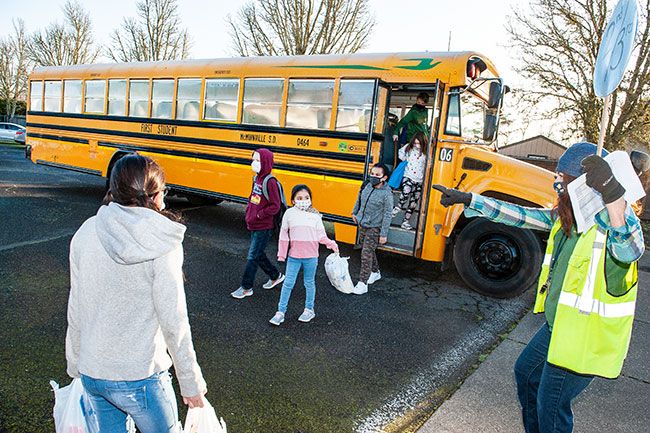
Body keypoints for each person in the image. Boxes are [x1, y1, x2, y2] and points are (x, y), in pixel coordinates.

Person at [433, 142, 644, 433]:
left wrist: (612, 194)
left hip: (583, 337)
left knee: (552, 404)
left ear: (582, 183)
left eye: (562, 177)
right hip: (559, 326)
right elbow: (522, 215)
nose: (556, 181)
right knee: (527, 374)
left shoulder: (612, 220)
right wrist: (471, 199)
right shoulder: (571, 217)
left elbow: (630, 250)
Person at [66, 154, 207, 433]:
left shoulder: (86, 232)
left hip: (93, 372)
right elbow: (174, 321)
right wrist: (190, 383)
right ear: (156, 196)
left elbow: (76, 307)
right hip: (141, 376)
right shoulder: (162, 242)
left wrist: (75, 362)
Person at [269, 184, 339, 326]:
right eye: (299, 198)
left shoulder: (315, 215)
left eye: (306, 197)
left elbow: (321, 236)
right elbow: (283, 235)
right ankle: (280, 312)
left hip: (311, 257)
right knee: (288, 284)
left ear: (311, 199)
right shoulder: (289, 214)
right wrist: (281, 255)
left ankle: (309, 309)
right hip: (293, 257)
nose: (303, 200)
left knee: (309, 283)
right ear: (293, 200)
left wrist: (332, 244)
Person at [231, 148, 286, 299]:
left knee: (252, 256)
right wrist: (249, 212)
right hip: (254, 223)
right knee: (258, 254)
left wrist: (259, 214)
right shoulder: (256, 178)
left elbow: (275, 206)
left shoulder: (270, 182)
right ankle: (275, 275)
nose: (253, 163)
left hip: (264, 225)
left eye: (257, 160)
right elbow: (253, 197)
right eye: (253, 159)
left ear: (266, 163)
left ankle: (246, 287)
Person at [351, 163, 394, 295]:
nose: (373, 176)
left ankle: (362, 283)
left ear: (384, 178)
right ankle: (375, 272)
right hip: (363, 224)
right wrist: (354, 213)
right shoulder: (366, 185)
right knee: (368, 250)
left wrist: (383, 234)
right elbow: (359, 199)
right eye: (372, 173)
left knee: (365, 254)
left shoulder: (387, 194)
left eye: (377, 175)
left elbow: (387, 214)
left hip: (375, 227)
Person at [392, 132, 428, 230]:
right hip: (408, 175)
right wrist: (405, 159)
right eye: (415, 143)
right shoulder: (409, 147)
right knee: (406, 191)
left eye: (419, 144)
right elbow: (400, 152)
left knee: (413, 202)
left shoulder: (426, 152)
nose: (417, 146)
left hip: (419, 180)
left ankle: (405, 222)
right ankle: (397, 208)